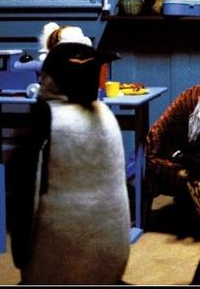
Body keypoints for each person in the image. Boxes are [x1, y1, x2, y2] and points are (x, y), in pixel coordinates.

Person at [8, 42, 129, 285]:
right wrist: (22, 251)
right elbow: (24, 193)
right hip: (54, 268)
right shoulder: (49, 119)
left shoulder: (100, 115)